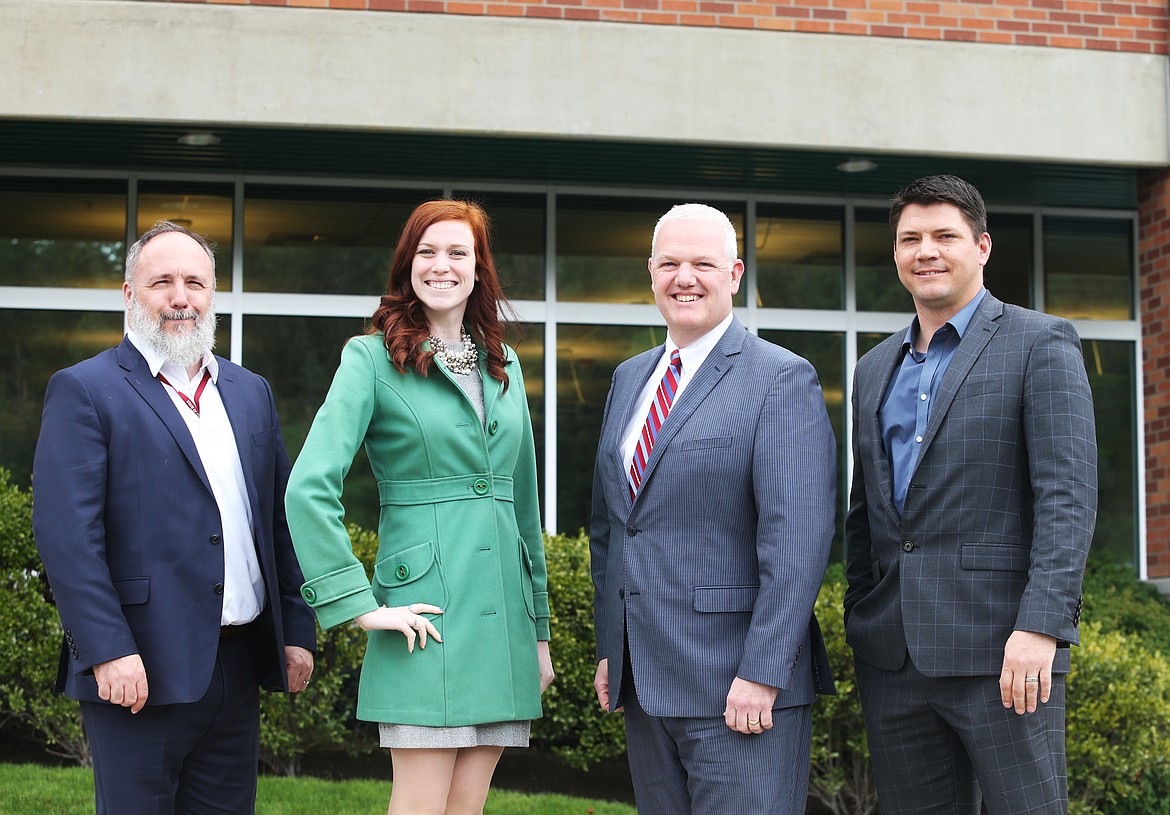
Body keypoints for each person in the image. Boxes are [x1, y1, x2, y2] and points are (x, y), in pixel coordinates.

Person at [32, 221, 317, 814]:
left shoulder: (249, 391)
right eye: (162, 281)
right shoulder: (85, 389)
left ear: (213, 293)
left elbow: (278, 521)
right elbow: (68, 538)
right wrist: (107, 649)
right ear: (130, 294)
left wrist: (295, 631)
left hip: (236, 667)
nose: (180, 297)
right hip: (139, 670)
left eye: (195, 281)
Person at [286, 199, 554, 815]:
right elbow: (307, 487)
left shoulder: (503, 363)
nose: (442, 265)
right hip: (425, 617)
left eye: (458, 252)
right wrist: (356, 606)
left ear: (479, 268)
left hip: (502, 624)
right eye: (427, 252)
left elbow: (521, 506)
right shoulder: (371, 358)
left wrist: (537, 633)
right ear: (407, 265)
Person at [844, 174, 1098, 814]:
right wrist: (861, 610)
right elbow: (865, 510)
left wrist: (1041, 626)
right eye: (910, 238)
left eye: (944, 236)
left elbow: (1066, 496)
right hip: (893, 657)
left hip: (1004, 653)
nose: (925, 251)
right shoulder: (874, 368)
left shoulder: (1040, 343)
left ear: (982, 246)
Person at [589, 203, 837, 814]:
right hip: (646, 684)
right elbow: (612, 526)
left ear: (735, 273)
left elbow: (797, 544)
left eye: (702, 263)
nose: (684, 278)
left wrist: (763, 674)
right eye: (670, 263)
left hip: (739, 686)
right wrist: (611, 647)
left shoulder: (781, 378)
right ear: (650, 272)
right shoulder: (629, 379)